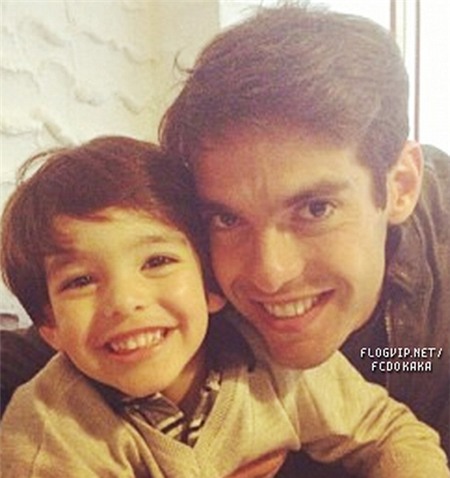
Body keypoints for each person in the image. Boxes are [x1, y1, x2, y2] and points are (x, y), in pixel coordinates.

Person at [1, 136, 448, 478]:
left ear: (209, 286)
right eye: (80, 281)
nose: (124, 302)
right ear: (49, 324)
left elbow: (390, 433)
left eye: (156, 262)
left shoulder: (274, 367)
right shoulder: (51, 435)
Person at [157, 3, 450, 476]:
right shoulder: (181, 262)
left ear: (400, 186)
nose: (269, 275)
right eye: (227, 219)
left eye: (315, 210)